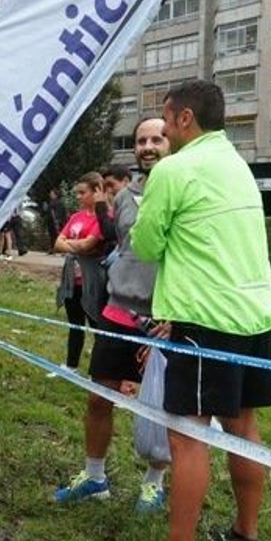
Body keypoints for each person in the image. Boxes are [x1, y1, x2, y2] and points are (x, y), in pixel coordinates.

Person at [112, 81, 271, 541]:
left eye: (164, 121)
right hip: (256, 316)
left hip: (204, 320)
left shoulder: (174, 170)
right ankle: (245, 535)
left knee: (187, 439)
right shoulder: (236, 164)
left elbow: (145, 240)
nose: (160, 132)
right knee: (243, 428)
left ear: (184, 119)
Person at [54, 117, 172, 512]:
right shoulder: (126, 195)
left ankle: (154, 483)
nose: (148, 146)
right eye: (141, 140)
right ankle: (94, 475)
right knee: (98, 397)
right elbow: (122, 245)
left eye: (157, 138)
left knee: (160, 407)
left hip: (163, 321)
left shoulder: (184, 189)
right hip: (119, 311)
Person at [52, 173, 107, 370]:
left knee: (97, 326)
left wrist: (72, 244)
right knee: (74, 325)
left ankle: (100, 370)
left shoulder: (104, 217)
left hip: (92, 280)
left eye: (82, 193)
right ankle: (71, 366)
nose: (78, 197)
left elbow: (89, 244)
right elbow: (58, 243)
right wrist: (79, 246)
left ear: (96, 191)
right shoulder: (76, 216)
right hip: (71, 281)